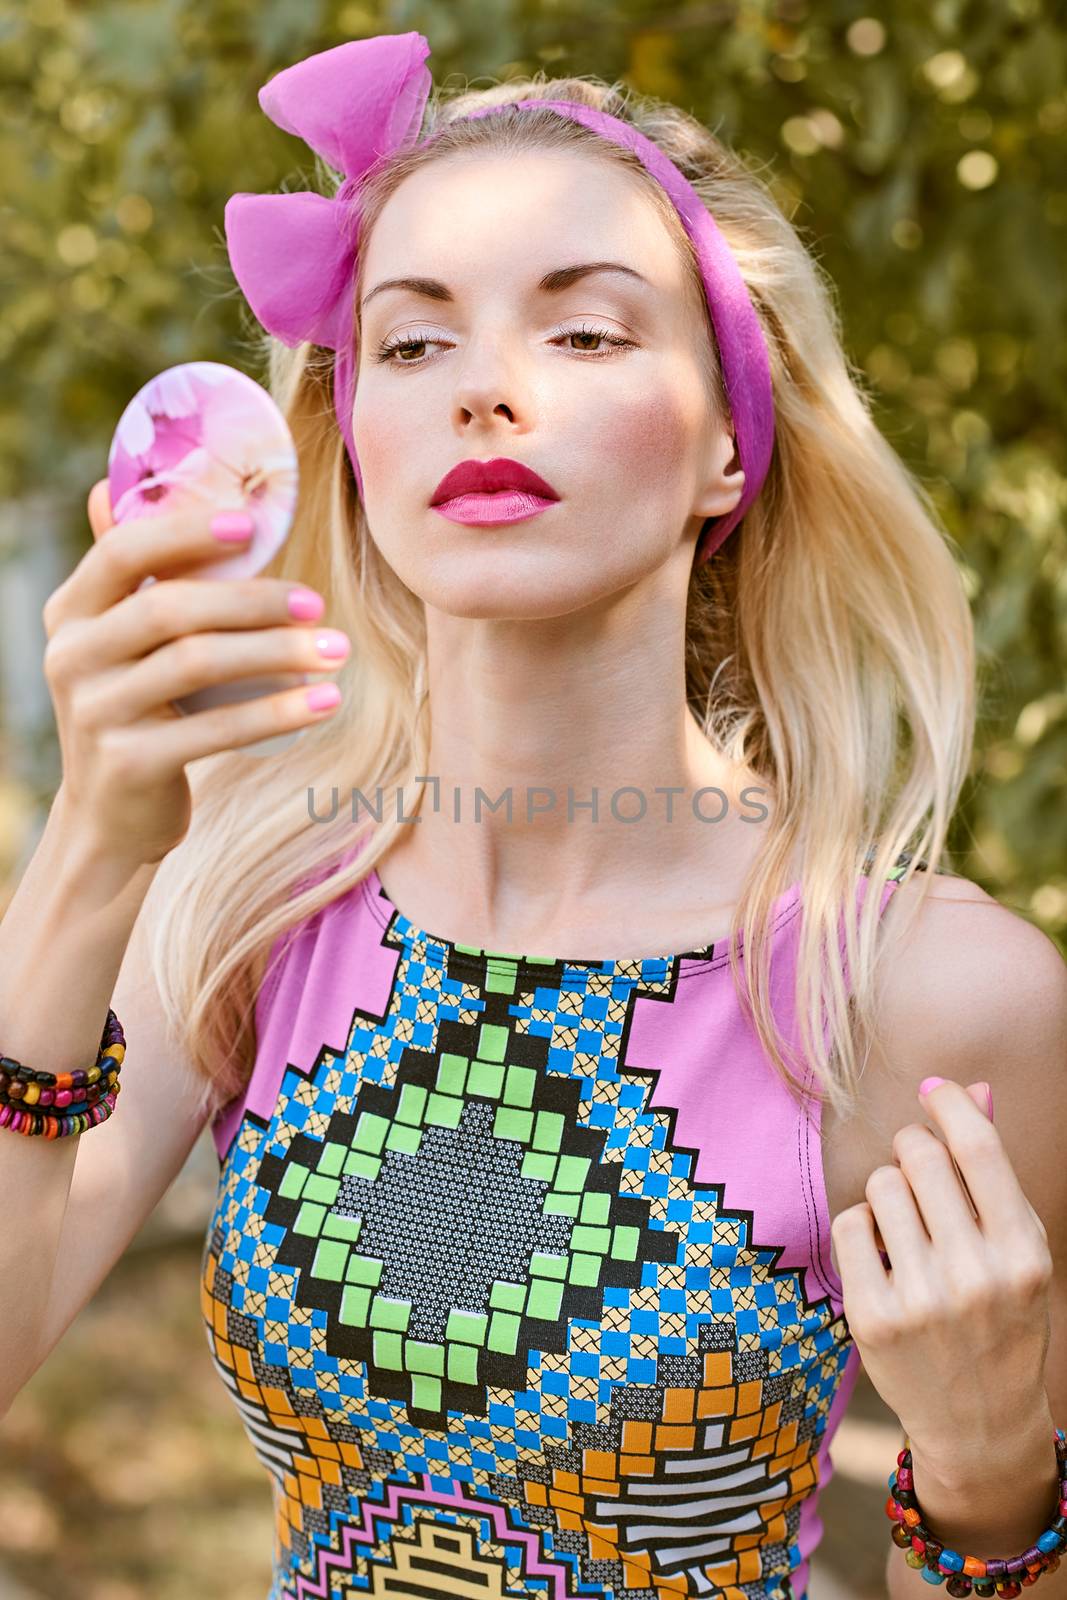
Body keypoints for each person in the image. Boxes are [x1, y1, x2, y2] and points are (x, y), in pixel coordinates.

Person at [2, 30, 1065, 1600]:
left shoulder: (921, 991)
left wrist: (987, 1481)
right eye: (415, 346)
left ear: (727, 438)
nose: (485, 390)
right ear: (354, 447)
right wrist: (95, 844)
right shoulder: (249, 896)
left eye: (581, 333)